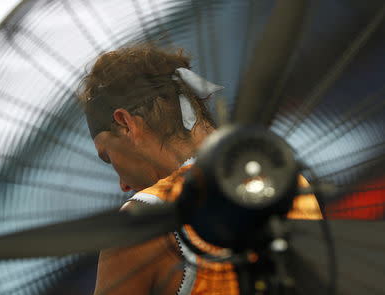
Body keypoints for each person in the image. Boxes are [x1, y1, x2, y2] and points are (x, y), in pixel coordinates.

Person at [77, 44, 321, 295]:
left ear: (126, 124)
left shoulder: (139, 225)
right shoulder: (288, 180)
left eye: (108, 156)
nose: (123, 185)